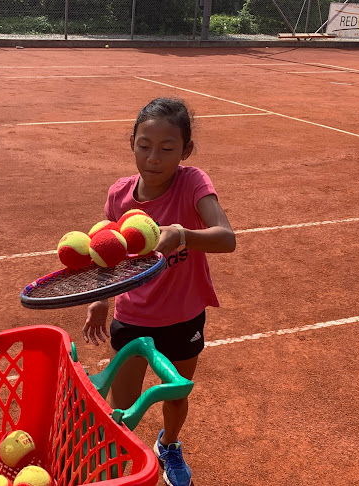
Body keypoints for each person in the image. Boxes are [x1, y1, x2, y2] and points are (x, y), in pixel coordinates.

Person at [81, 97, 236, 486]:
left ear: (185, 151)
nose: (154, 157)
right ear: (131, 142)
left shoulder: (193, 182)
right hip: (132, 316)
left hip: (183, 315)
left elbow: (227, 238)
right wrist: (101, 298)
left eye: (168, 149)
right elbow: (107, 255)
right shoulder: (119, 194)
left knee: (176, 395)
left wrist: (183, 234)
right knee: (123, 406)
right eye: (144, 145)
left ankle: (169, 444)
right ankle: (123, 458)